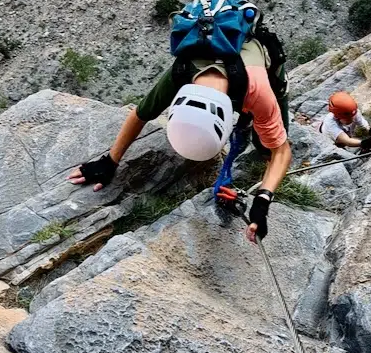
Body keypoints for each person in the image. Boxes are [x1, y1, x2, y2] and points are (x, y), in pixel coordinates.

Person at [68, 33, 290, 244]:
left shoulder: (259, 92)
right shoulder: (181, 71)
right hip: (223, 72)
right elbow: (141, 114)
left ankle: (252, 130)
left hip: (256, 71)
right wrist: (109, 162)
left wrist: (262, 200)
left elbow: (281, 151)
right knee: (265, 139)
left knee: (265, 147)